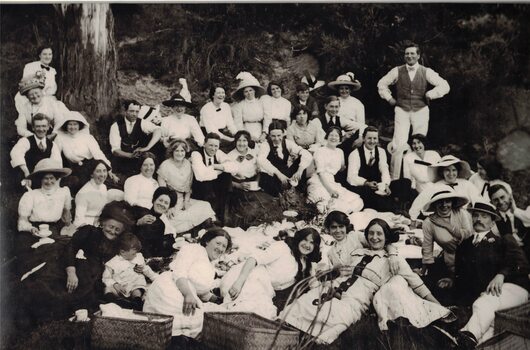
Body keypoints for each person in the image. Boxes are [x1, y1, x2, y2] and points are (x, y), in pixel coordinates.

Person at [281, 218, 442, 345]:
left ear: (386, 236)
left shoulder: (394, 260)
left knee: (337, 316)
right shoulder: (357, 251)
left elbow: (417, 283)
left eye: (379, 234)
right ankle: (285, 331)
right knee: (303, 304)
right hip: (335, 286)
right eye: (371, 233)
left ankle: (309, 338)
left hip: (359, 296)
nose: (374, 237)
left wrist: (437, 306)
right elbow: (336, 263)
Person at [19, 201, 135, 321]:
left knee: (87, 298)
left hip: (91, 276)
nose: (113, 232)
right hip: (71, 266)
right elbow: (70, 248)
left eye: (117, 230)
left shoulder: (116, 243)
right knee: (48, 290)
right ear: (103, 222)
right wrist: (71, 272)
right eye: (111, 227)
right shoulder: (89, 232)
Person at [454, 201, 529, 348]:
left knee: (484, 304)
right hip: (487, 296)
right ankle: (471, 344)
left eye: (484, 216)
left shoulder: (503, 241)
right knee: (491, 324)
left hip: (511, 288)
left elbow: (522, 264)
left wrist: (501, 274)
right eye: (475, 215)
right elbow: (461, 278)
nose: (479, 219)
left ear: (492, 222)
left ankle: (466, 337)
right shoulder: (464, 246)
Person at [377, 42, 450, 179]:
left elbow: (444, 85)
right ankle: (396, 178)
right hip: (402, 110)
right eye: (407, 54)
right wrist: (389, 98)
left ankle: (420, 177)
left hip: (421, 110)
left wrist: (430, 94)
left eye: (412, 53)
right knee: (399, 142)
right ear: (404, 56)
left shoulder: (426, 71)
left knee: (419, 143)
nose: (409, 56)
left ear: (418, 56)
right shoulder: (397, 71)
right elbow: (381, 84)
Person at [143, 228, 232, 337]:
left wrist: (219, 300)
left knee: (212, 319)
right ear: (207, 241)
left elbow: (202, 292)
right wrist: (188, 294)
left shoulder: (210, 266)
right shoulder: (194, 249)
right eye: (218, 243)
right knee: (203, 323)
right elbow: (179, 273)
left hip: (186, 293)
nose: (220, 248)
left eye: (224, 246)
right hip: (170, 288)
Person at [224, 228, 322, 316]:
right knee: (250, 310)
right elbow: (253, 259)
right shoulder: (283, 248)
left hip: (266, 290)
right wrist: (239, 282)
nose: (307, 245)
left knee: (265, 313)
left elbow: (314, 285)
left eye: (312, 243)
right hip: (250, 278)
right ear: (299, 239)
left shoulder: (306, 263)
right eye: (305, 240)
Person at [157, 140, 216, 235]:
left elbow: (188, 186)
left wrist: (186, 201)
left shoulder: (187, 164)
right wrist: (169, 206)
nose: (180, 154)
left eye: (182, 151)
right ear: (172, 151)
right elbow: (162, 190)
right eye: (177, 151)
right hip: (169, 200)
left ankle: (204, 230)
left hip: (183, 198)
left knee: (205, 205)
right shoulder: (165, 165)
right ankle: (186, 229)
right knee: (171, 218)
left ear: (185, 152)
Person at [225, 130, 282, 228]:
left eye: (244, 141)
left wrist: (257, 181)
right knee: (251, 210)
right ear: (235, 141)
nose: (242, 144)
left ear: (248, 142)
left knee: (271, 202)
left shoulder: (254, 153)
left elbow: (259, 171)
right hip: (237, 188)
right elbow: (225, 179)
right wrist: (239, 185)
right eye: (239, 141)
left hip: (253, 186)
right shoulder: (229, 156)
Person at [54, 111, 119, 194]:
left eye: (75, 124)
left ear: (79, 125)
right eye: (70, 124)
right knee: (80, 186)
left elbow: (98, 154)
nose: (72, 127)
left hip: (91, 166)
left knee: (106, 185)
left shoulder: (87, 137)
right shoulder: (60, 138)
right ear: (65, 125)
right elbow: (56, 157)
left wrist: (109, 169)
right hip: (74, 169)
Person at [307, 127, 363, 214]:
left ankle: (341, 215)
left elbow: (341, 168)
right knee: (324, 205)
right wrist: (330, 190)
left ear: (340, 139)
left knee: (358, 201)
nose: (333, 138)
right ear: (327, 137)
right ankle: (334, 215)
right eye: (331, 135)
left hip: (332, 182)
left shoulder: (340, 152)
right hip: (318, 182)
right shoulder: (320, 150)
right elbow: (320, 173)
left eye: (336, 136)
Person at [409, 155, 481, 220]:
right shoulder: (436, 186)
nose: (451, 174)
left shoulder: (466, 184)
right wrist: (413, 219)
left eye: (454, 170)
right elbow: (419, 202)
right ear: (442, 172)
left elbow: (478, 200)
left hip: (465, 220)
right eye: (447, 170)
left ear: (457, 171)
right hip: (443, 220)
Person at [17, 159, 72, 239]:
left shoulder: (63, 192)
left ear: (56, 179)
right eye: (46, 178)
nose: (49, 181)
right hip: (35, 231)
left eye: (51, 178)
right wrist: (31, 229)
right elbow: (22, 221)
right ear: (41, 179)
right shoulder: (30, 195)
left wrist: (68, 226)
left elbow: (66, 215)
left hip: (55, 230)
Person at [190, 133, 238, 223]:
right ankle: (210, 217)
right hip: (199, 187)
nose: (213, 149)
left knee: (226, 176)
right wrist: (218, 170)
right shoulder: (196, 154)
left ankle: (223, 214)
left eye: (216, 146)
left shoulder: (218, 152)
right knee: (220, 175)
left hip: (214, 186)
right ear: (204, 144)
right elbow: (201, 176)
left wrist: (216, 166)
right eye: (210, 145)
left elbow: (235, 166)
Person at [346, 126, 395, 212]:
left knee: (404, 183)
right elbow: (351, 177)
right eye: (369, 138)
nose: (372, 141)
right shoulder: (355, 154)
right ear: (364, 139)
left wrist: (386, 184)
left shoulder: (381, 152)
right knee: (374, 199)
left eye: (375, 138)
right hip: (363, 187)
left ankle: (390, 207)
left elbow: (384, 169)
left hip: (378, 186)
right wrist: (366, 183)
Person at [257, 120, 312, 197]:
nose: (276, 139)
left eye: (279, 135)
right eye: (273, 136)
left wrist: (300, 169)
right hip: (272, 175)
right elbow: (261, 160)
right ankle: (281, 192)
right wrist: (279, 174)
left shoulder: (287, 142)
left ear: (283, 133)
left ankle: (298, 189)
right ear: (269, 135)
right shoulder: (265, 145)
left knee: (302, 158)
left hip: (285, 173)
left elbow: (306, 153)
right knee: (269, 181)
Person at [109, 99, 162, 178]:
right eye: (131, 111)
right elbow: (115, 151)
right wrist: (130, 155)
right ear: (125, 111)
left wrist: (147, 147)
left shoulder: (142, 122)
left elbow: (158, 130)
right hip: (122, 159)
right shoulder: (116, 126)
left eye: (137, 112)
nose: (134, 114)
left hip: (138, 160)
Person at [102, 233, 158, 308]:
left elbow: (147, 269)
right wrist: (115, 284)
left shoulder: (138, 257)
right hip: (120, 287)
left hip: (134, 284)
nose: (135, 255)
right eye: (133, 254)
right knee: (107, 289)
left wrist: (154, 277)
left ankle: (136, 302)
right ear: (122, 252)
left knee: (137, 290)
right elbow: (106, 278)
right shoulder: (112, 263)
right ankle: (116, 301)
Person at [10, 113, 62, 189]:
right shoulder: (25, 141)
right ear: (33, 128)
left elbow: (57, 164)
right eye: (38, 126)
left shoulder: (52, 145)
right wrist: (27, 173)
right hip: (27, 176)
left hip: (44, 179)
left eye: (44, 126)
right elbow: (16, 154)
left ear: (48, 127)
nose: (41, 129)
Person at [488, 184, 530, 261]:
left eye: (502, 197)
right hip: (511, 259)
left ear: (510, 196)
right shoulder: (494, 220)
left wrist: (516, 211)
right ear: (491, 202)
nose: (500, 202)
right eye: (496, 200)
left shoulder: (524, 211)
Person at [74, 159, 121, 228]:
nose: (102, 175)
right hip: (87, 227)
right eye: (98, 171)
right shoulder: (83, 194)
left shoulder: (103, 187)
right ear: (91, 174)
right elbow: (79, 221)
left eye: (104, 171)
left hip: (100, 224)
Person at [133, 187, 177, 258]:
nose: (162, 204)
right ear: (154, 200)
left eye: (166, 203)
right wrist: (138, 223)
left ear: (168, 208)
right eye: (160, 200)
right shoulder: (139, 211)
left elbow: (155, 250)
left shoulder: (161, 224)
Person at [14, 45, 58, 113]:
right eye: (44, 54)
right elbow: (25, 83)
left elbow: (52, 88)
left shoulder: (52, 71)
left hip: (47, 97)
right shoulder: (30, 66)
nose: (47, 57)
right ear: (40, 55)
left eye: (50, 54)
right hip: (32, 94)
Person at [327, 72, 366, 148]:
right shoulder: (335, 101)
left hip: (354, 134)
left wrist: (360, 138)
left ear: (350, 90)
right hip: (336, 134)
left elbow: (361, 124)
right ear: (338, 89)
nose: (344, 91)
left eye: (346, 88)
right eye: (341, 88)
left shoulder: (357, 103)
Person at [199, 84, 237, 152]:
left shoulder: (226, 106)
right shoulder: (206, 109)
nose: (221, 95)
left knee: (239, 142)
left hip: (222, 134)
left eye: (223, 93)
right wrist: (229, 139)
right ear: (213, 95)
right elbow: (211, 130)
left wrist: (237, 135)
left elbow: (230, 124)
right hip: (209, 135)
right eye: (218, 93)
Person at [231, 72, 267, 142]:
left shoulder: (261, 103)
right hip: (246, 130)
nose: (249, 93)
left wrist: (264, 133)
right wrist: (247, 136)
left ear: (254, 91)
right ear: (243, 93)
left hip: (260, 129)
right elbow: (238, 123)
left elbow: (267, 118)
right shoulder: (240, 105)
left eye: (250, 90)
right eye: (246, 91)